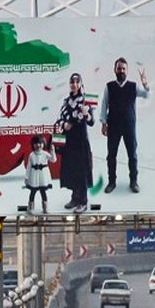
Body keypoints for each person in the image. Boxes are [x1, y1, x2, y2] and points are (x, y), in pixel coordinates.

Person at [100, 57, 150, 194]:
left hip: (129, 126)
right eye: (119, 68)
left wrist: (145, 84)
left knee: (132, 155)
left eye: (123, 69)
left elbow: (147, 95)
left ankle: (133, 182)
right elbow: (104, 104)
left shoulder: (133, 86)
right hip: (113, 126)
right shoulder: (109, 86)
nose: (121, 71)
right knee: (111, 156)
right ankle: (111, 182)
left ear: (127, 71)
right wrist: (103, 123)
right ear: (114, 70)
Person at [56, 73, 95, 212]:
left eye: (77, 82)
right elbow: (59, 119)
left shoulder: (85, 101)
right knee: (71, 170)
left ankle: (83, 201)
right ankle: (74, 197)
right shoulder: (66, 101)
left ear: (80, 84)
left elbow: (91, 122)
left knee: (82, 171)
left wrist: (86, 114)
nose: (74, 84)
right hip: (69, 141)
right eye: (72, 82)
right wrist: (65, 124)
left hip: (81, 141)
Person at [24, 135, 56, 213]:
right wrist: (26, 176)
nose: (38, 145)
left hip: (43, 176)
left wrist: (53, 151)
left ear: (43, 144)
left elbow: (53, 160)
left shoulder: (45, 154)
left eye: (40, 143)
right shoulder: (31, 155)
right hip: (34, 175)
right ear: (33, 145)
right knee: (33, 192)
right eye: (36, 143)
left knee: (43, 192)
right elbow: (28, 166)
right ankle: (31, 207)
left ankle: (45, 207)